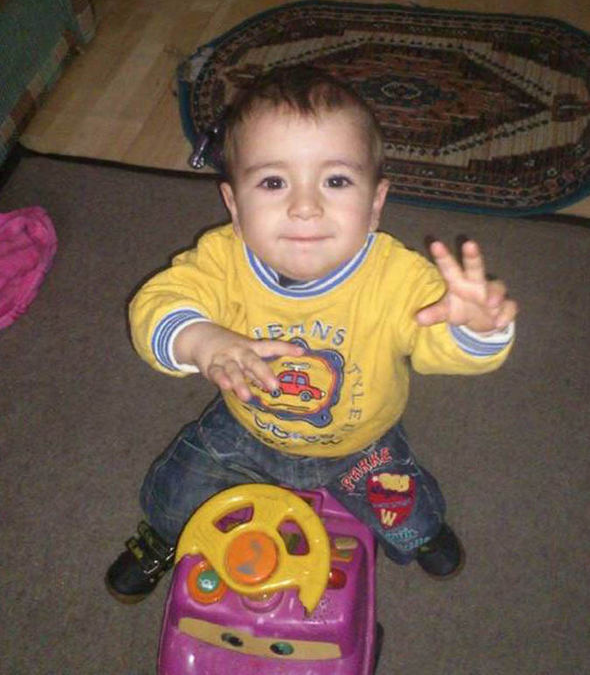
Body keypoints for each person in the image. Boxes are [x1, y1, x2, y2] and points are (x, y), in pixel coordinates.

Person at [105, 66, 517, 603]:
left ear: (375, 204)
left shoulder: (399, 278)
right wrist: (202, 339)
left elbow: (438, 346)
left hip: (362, 441)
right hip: (245, 429)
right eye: (273, 182)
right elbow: (155, 306)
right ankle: (165, 537)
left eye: (336, 181)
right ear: (234, 205)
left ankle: (422, 534)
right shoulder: (221, 260)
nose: (305, 206)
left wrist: (474, 328)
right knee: (178, 491)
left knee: (409, 515)